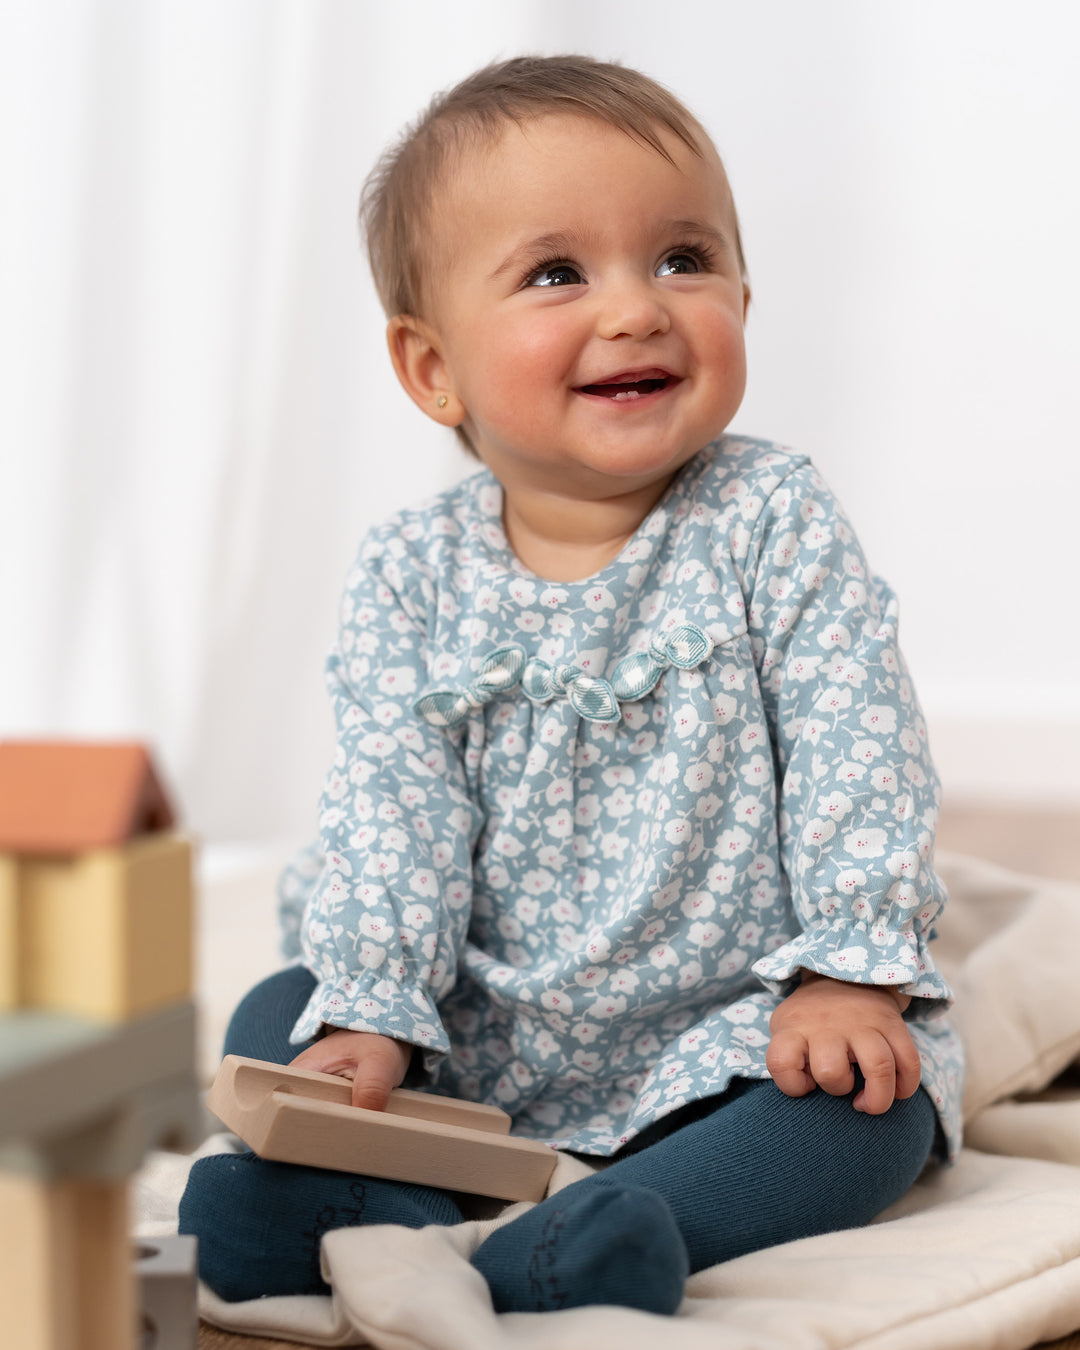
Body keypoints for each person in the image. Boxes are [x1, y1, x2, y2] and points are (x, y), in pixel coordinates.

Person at [180, 54, 964, 1316]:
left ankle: (621, 1227)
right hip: (474, 1021)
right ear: (433, 369)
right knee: (282, 1017)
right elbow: (392, 813)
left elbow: (856, 748)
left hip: (730, 1021)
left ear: (745, 302)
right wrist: (373, 1012)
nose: (638, 309)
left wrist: (851, 969)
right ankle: (367, 1190)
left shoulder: (771, 516)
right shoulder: (412, 572)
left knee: (870, 1100)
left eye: (682, 259)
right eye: (558, 275)